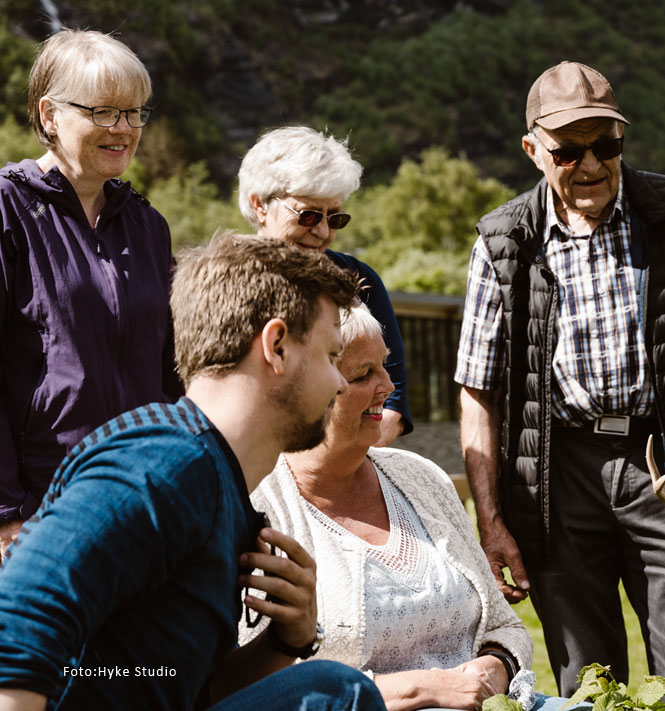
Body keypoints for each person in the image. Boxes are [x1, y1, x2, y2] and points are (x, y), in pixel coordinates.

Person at [455, 60, 665, 711]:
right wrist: (492, 519)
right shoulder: (503, 241)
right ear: (533, 150)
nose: (591, 164)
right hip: (559, 474)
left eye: (607, 145)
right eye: (570, 151)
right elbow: (477, 388)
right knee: (587, 684)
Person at [0, 233, 385, 710]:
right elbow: (19, 610)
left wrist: (288, 639)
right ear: (278, 345)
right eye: (331, 356)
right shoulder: (168, 463)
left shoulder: (217, 481)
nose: (340, 381)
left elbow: (189, 691)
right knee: (337, 695)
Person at [241, 303, 579, 711]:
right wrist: (424, 689)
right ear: (302, 389)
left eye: (385, 366)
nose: (387, 385)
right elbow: (256, 686)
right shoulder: (258, 506)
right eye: (363, 374)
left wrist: (498, 664)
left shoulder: (421, 478)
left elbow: (503, 625)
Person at [0, 29, 180, 555]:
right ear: (49, 114)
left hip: (143, 498)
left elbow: (171, 369)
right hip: (42, 511)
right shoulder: (7, 212)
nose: (123, 129)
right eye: (103, 112)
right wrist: (6, 514)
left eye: (134, 113)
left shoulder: (148, 225)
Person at [238, 125, 413, 446]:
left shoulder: (358, 278)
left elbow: (393, 390)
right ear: (260, 205)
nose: (322, 231)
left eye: (335, 218)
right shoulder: (226, 283)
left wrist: (356, 449)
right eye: (307, 216)